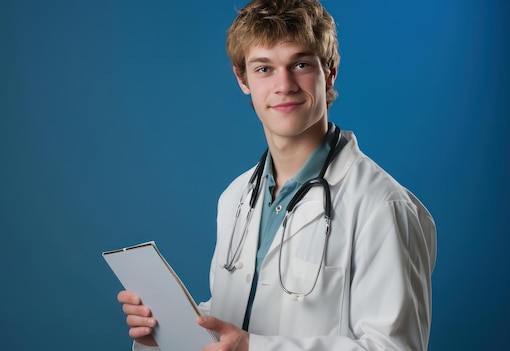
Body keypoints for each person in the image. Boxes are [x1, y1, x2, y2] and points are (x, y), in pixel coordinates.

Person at [117, 0, 437, 350]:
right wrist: (165, 332)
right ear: (243, 79)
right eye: (264, 69)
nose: (284, 85)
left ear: (329, 72)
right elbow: (237, 316)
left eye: (299, 64)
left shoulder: (382, 206)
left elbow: (395, 347)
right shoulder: (236, 197)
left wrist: (253, 348)